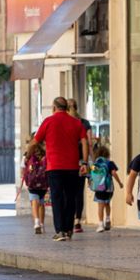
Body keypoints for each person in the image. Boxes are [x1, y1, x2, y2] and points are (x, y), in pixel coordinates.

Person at [32, 96, 89, 242]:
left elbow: (35, 141)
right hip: (72, 166)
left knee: (57, 199)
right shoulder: (76, 123)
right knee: (70, 198)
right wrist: (84, 162)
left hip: (54, 167)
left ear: (53, 107)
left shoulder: (48, 121)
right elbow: (85, 142)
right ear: (67, 108)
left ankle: (60, 231)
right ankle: (69, 230)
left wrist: (28, 153)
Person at [88, 143, 122, 232]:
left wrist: (90, 185)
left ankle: (100, 225)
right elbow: (114, 173)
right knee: (107, 203)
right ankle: (107, 219)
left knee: (100, 205)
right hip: (109, 188)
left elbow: (91, 176)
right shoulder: (110, 163)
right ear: (107, 154)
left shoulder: (95, 164)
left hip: (99, 188)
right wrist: (120, 183)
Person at [21, 139, 49, 235]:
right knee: (41, 203)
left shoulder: (28, 155)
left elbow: (23, 167)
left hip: (32, 182)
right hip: (44, 183)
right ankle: (42, 224)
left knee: (34, 202)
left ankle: (36, 222)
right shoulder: (46, 154)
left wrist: (24, 178)